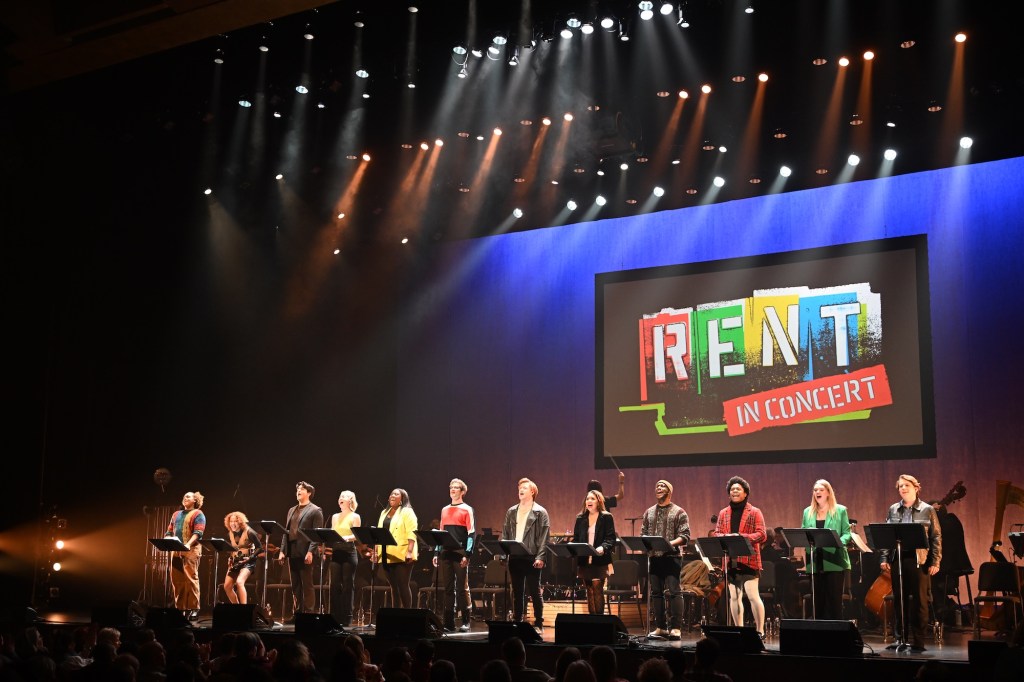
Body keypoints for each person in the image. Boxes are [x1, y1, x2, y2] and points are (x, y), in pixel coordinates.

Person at [879, 474, 942, 651]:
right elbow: (886, 535)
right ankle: (900, 638)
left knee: (920, 602)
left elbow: (936, 537)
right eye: (900, 486)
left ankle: (918, 641)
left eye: (906, 485)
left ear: (916, 487)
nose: (903, 489)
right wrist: (884, 558)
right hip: (898, 558)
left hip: (919, 560)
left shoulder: (927, 509)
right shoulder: (893, 509)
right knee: (900, 600)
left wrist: (935, 561)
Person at [714, 476, 767, 639]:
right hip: (731, 560)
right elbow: (716, 533)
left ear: (745, 493)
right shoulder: (723, 513)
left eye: (738, 489)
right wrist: (725, 536)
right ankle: (739, 630)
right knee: (734, 597)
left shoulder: (755, 511)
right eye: (732, 489)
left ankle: (760, 631)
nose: (734, 491)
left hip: (749, 560)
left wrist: (741, 537)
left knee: (752, 595)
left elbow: (762, 534)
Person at [640, 480, 690, 639]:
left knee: (675, 592)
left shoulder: (679, 512)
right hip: (655, 557)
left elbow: (685, 536)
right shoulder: (649, 512)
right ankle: (661, 627)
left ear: (669, 491)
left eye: (662, 486)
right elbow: (644, 534)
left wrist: (669, 544)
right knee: (656, 593)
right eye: (657, 486)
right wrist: (646, 543)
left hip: (672, 557)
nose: (659, 488)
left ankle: (676, 628)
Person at [501, 478, 551, 629]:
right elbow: (505, 533)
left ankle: (539, 622)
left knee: (535, 591)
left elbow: (544, 537)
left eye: (524, 488)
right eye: (519, 488)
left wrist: (541, 556)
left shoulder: (540, 512)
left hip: (531, 556)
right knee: (517, 592)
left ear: (532, 491)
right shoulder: (511, 511)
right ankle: (517, 621)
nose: (520, 490)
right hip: (515, 556)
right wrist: (504, 554)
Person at [800, 479, 851, 620]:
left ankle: (835, 635)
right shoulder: (807, 512)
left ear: (828, 492)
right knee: (817, 602)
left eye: (821, 490)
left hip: (834, 559)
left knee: (834, 602)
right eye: (815, 490)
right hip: (815, 561)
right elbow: (804, 533)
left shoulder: (840, 510)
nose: (817, 492)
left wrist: (838, 542)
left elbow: (847, 533)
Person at [278, 481, 324, 620]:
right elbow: (286, 531)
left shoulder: (315, 510)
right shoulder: (291, 510)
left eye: (302, 489)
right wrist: (282, 550)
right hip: (292, 550)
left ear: (309, 493)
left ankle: (309, 613)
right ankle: (298, 612)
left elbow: (316, 534)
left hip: (306, 551)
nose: (298, 491)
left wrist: (311, 551)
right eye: (297, 489)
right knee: (296, 584)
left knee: (307, 584)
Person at [435, 478, 475, 632]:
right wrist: (436, 552)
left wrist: (467, 554)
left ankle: (466, 621)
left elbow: (471, 533)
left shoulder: (467, 509)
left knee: (462, 587)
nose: (452, 489)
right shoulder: (444, 509)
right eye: (451, 487)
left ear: (462, 491)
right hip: (446, 552)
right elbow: (440, 532)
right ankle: (449, 622)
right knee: (448, 588)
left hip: (460, 553)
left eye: (456, 487)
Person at [572, 490, 617, 615]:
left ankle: (600, 621)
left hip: (600, 559)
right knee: (589, 590)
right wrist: (572, 547)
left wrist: (603, 547)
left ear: (599, 501)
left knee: (597, 588)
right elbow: (576, 538)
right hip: (585, 560)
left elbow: (610, 538)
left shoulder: (606, 517)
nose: (589, 501)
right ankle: (592, 620)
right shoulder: (580, 518)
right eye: (587, 499)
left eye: (592, 498)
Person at [165, 491, 206, 620]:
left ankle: (194, 608)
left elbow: (198, 532)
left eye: (188, 496)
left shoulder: (198, 514)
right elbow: (169, 530)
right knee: (177, 579)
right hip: (176, 549)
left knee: (191, 578)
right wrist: (166, 538)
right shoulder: (176, 514)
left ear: (195, 500)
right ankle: (180, 608)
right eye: (184, 496)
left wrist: (188, 543)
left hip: (191, 548)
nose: (185, 498)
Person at [374, 488, 419, 608]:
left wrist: (409, 551)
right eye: (391, 494)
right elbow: (379, 533)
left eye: (396, 494)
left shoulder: (407, 512)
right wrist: (376, 552)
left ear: (402, 499)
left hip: (402, 553)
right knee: (393, 586)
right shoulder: (384, 512)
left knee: (402, 585)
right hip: (386, 554)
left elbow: (412, 532)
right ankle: (396, 615)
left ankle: (407, 615)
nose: (392, 496)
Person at [329, 490, 362, 626]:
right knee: (334, 584)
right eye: (340, 496)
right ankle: (334, 616)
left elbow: (357, 535)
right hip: (336, 552)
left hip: (349, 552)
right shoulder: (335, 516)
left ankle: (347, 616)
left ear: (350, 500)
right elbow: (332, 531)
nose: (341, 498)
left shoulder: (355, 516)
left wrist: (346, 538)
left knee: (348, 585)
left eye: (344, 497)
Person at [223, 511, 263, 605]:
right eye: (231, 521)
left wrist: (251, 557)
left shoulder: (249, 532)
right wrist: (230, 558)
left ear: (240, 522)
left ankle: (244, 610)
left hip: (248, 562)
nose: (233, 523)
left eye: (235, 521)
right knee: (227, 586)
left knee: (239, 582)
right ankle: (237, 608)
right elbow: (234, 549)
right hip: (236, 562)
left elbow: (260, 547)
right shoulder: (230, 534)